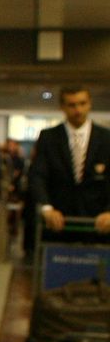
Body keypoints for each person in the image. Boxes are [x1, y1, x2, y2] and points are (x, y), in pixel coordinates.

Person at [29, 86, 110, 240]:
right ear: (62, 107)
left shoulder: (106, 138)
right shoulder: (48, 137)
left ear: (90, 104)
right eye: (72, 105)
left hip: (98, 223)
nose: (78, 110)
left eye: (82, 103)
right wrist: (46, 208)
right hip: (58, 221)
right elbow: (37, 176)